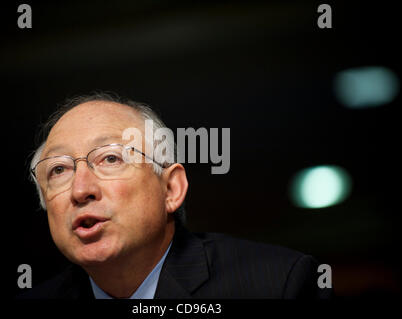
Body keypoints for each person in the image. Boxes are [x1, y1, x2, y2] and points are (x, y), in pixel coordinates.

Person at [19, 92, 333, 299]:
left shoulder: (277, 286)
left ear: (171, 189)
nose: (80, 190)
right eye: (58, 170)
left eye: (111, 159)